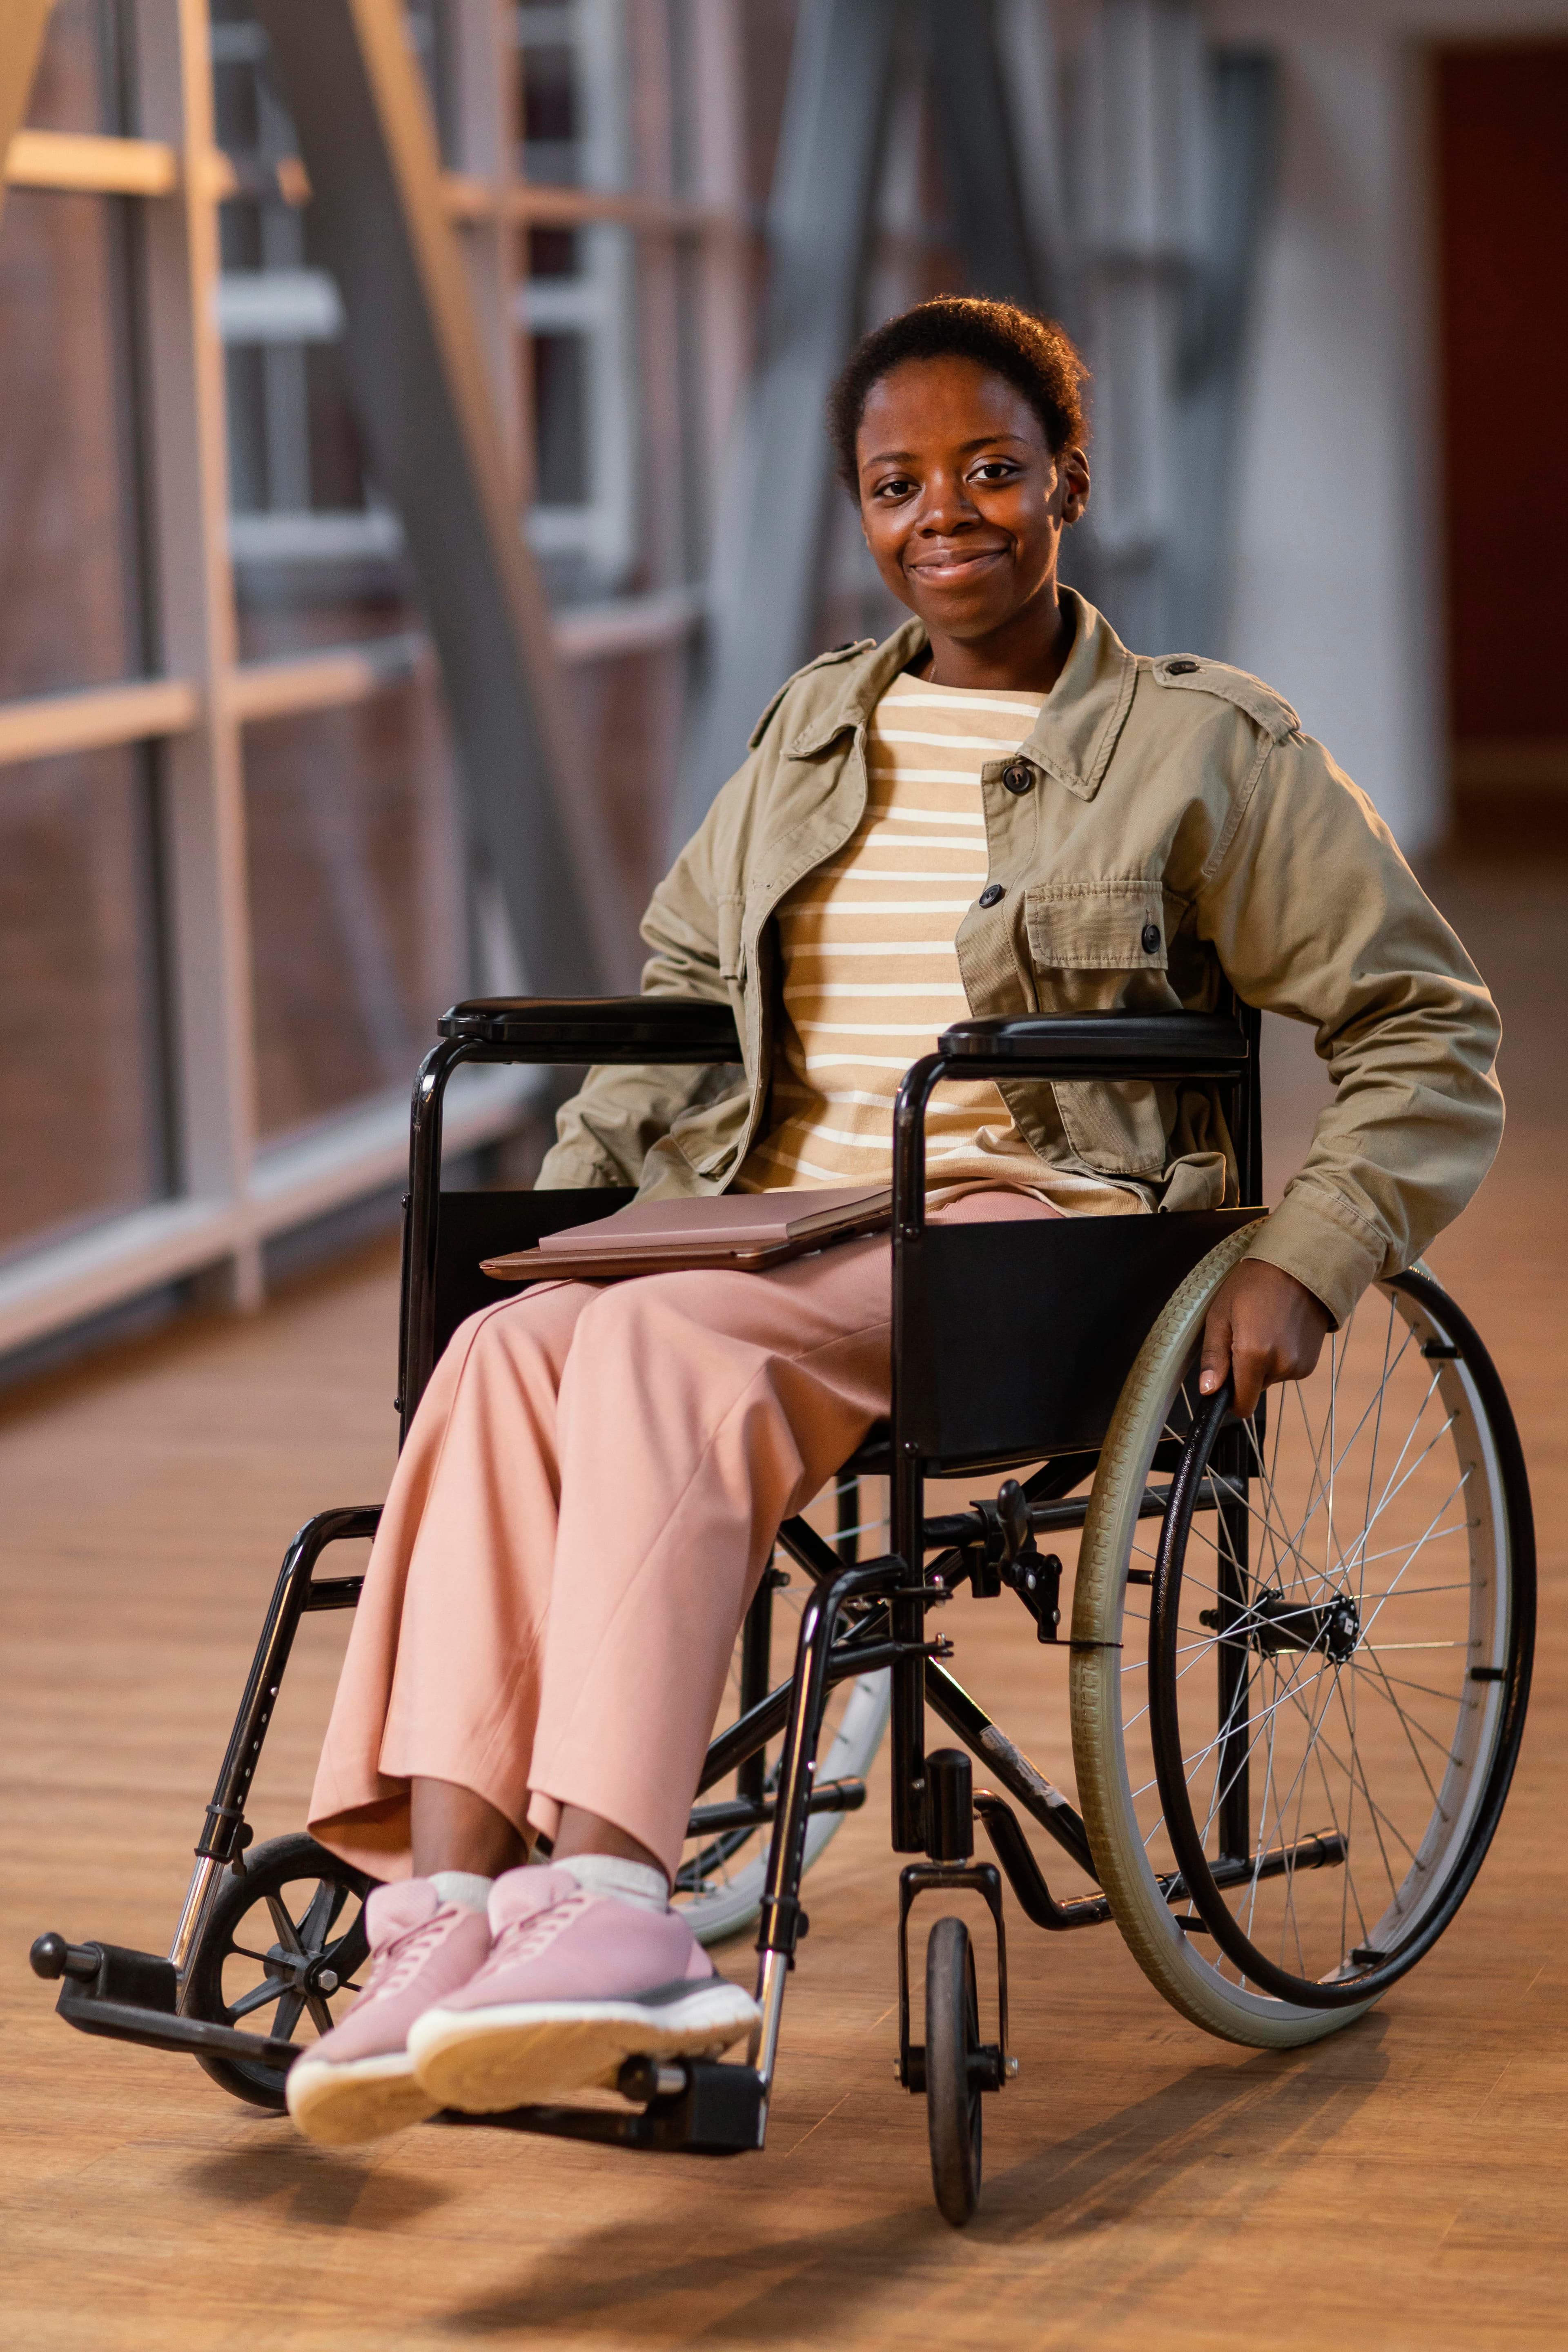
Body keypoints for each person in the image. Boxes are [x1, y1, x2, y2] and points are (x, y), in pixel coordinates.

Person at [286, 297, 1502, 2147]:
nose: (947, 514)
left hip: (1030, 1223)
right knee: (512, 1347)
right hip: (776, 1214)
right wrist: (573, 1215)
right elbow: (687, 995)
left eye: (993, 469)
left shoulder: (1209, 747)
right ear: (860, 508)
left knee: (654, 1345)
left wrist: (1308, 1254)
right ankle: (445, 1914)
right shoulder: (811, 729)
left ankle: (614, 1901)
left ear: (1069, 481)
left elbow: (1428, 1030)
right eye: (897, 483)